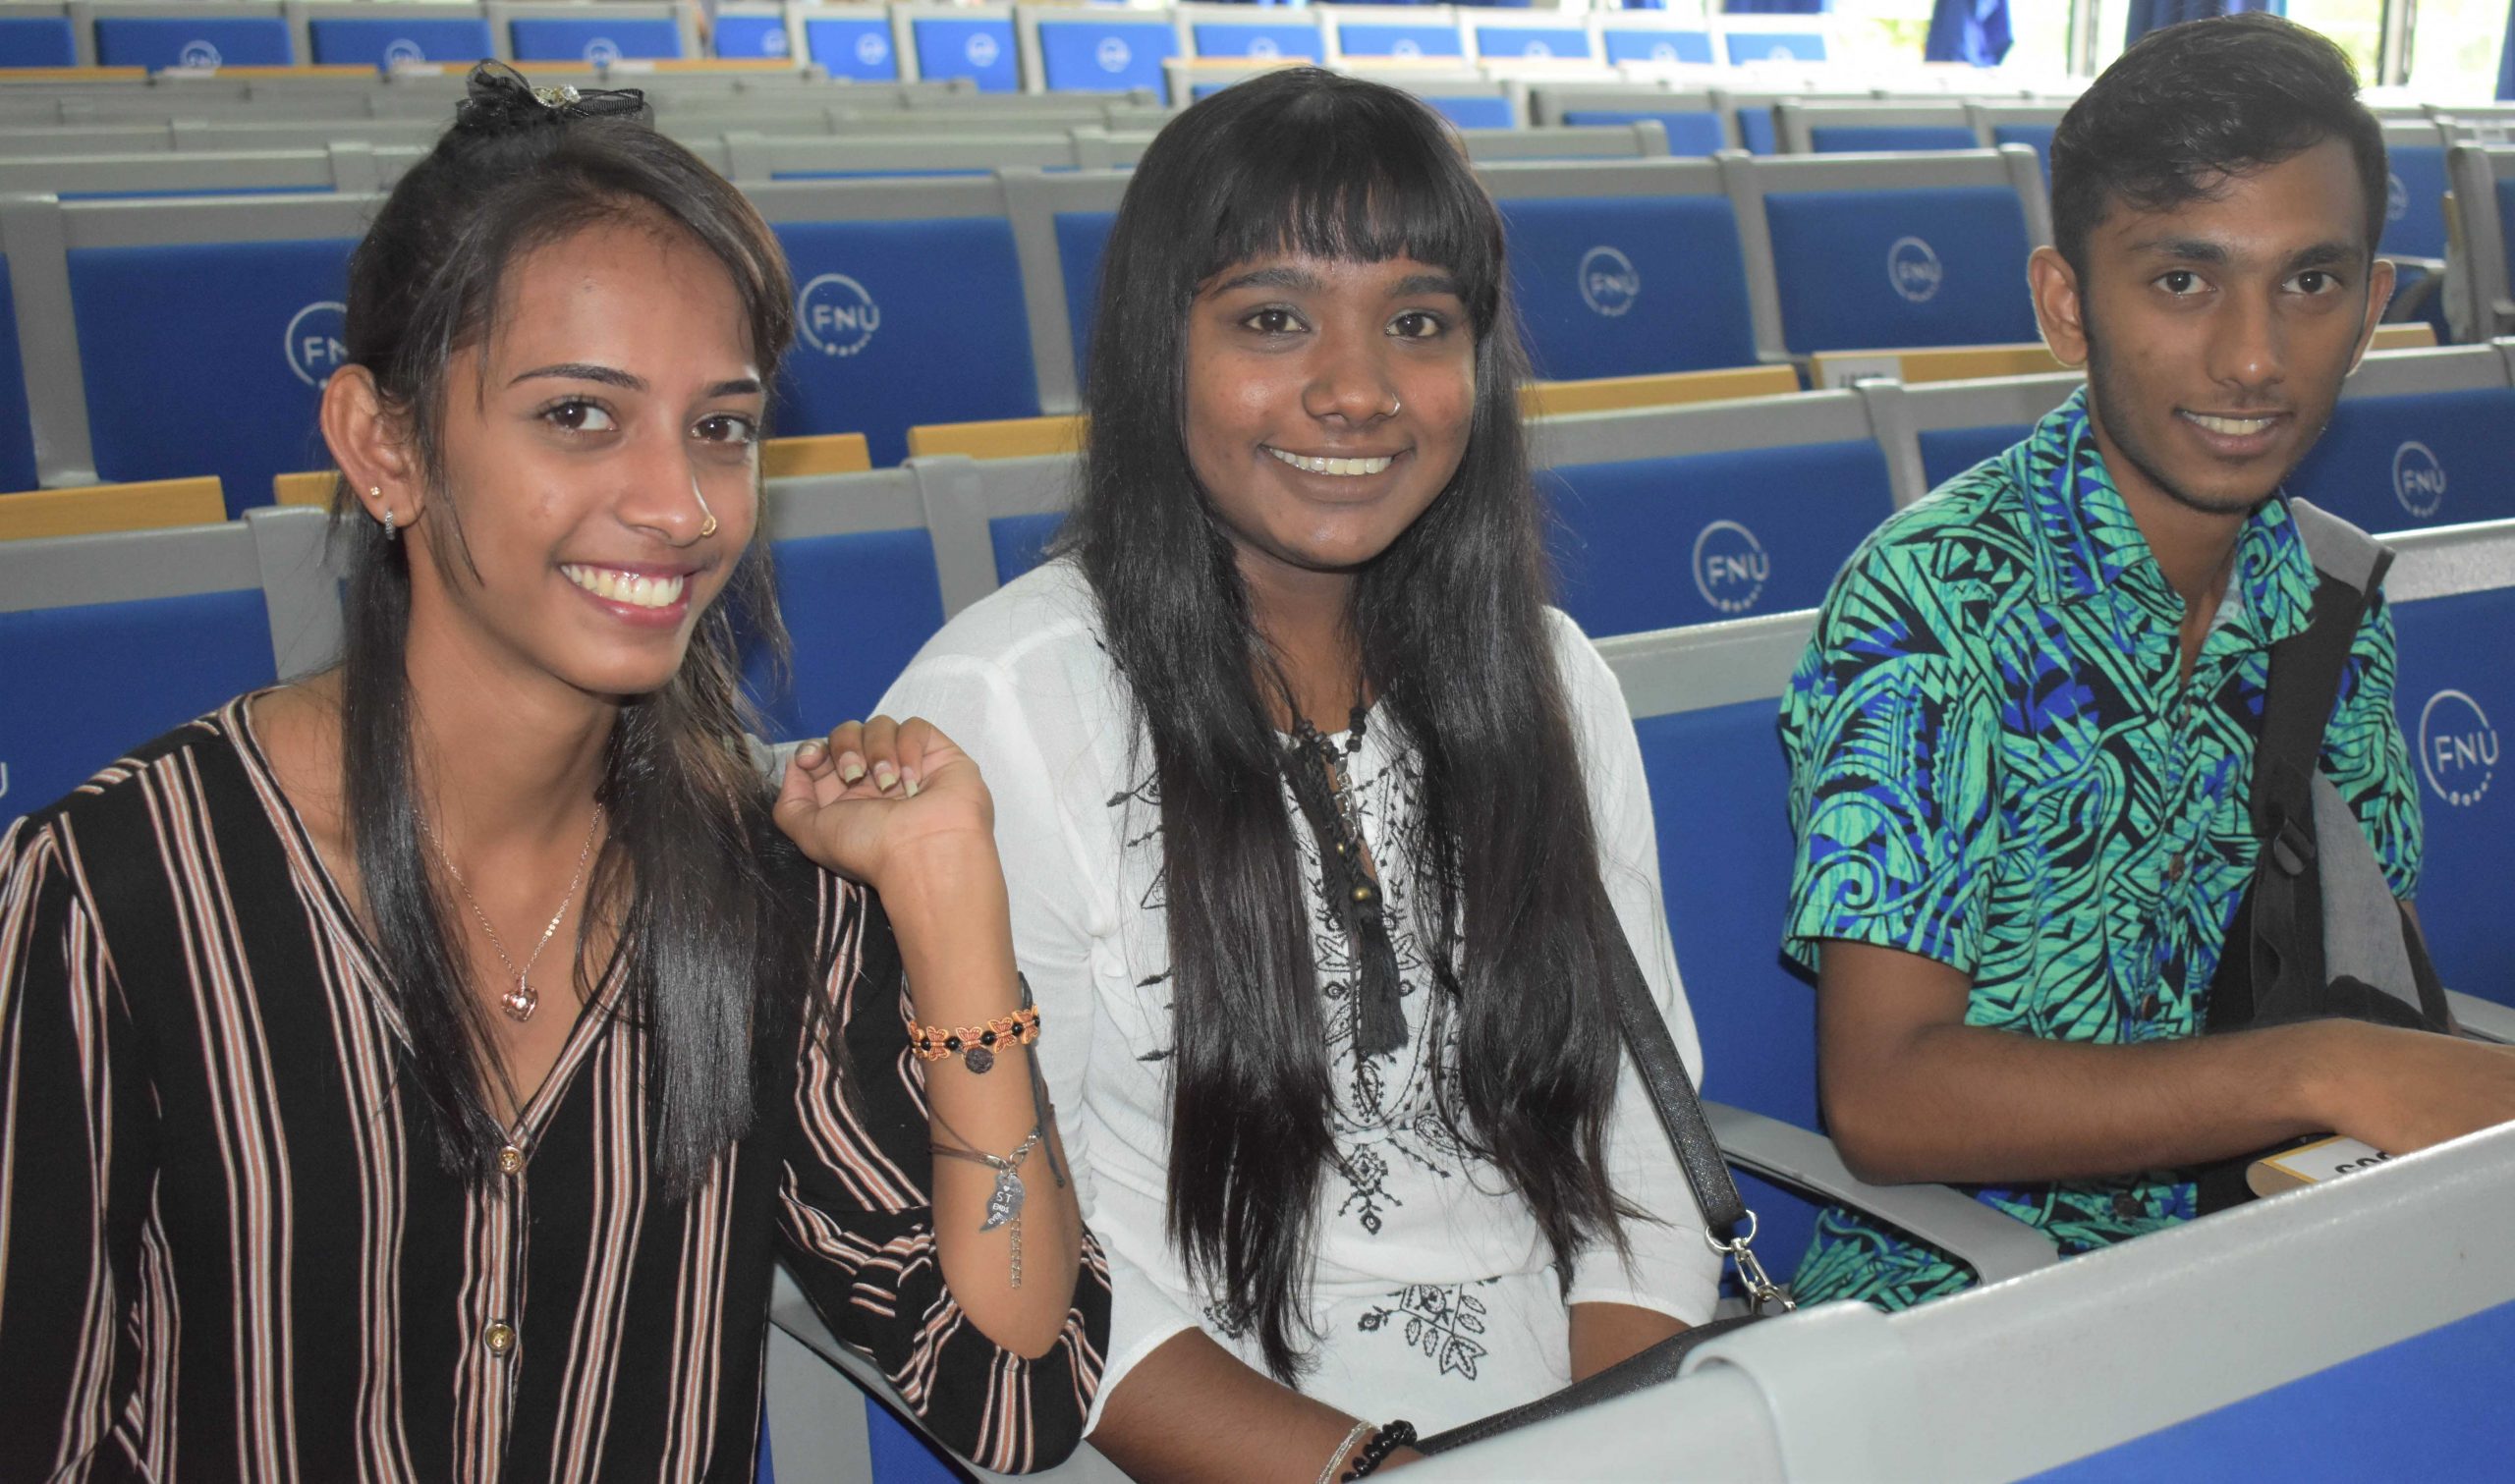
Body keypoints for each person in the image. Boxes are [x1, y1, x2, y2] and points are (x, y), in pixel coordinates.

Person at [0, 66, 1105, 1479]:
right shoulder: (117, 893)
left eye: (721, 425)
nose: (681, 503)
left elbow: (1014, 1388)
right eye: (580, 414)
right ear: (384, 446)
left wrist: (953, 913)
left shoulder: (771, 888)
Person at [873, 68, 1718, 1482]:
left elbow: (1637, 1154)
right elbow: (1042, 1263)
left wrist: (1617, 1454)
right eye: (1273, 320)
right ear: (1160, 350)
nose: (1356, 391)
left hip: (1572, 1430)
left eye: (1419, 323)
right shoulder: (1002, 717)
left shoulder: (1552, 680)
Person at [1779, 12, 2515, 1310]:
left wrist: (2377, 1078)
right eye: (2183, 282)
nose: (2253, 356)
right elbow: (1886, 1096)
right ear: (2069, 306)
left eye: (2311, 281)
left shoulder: (2334, 603)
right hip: (1972, 1299)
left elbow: (2369, 968)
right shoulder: (1937, 602)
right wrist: (2319, 1073)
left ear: (2374, 306)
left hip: (2275, 1249)